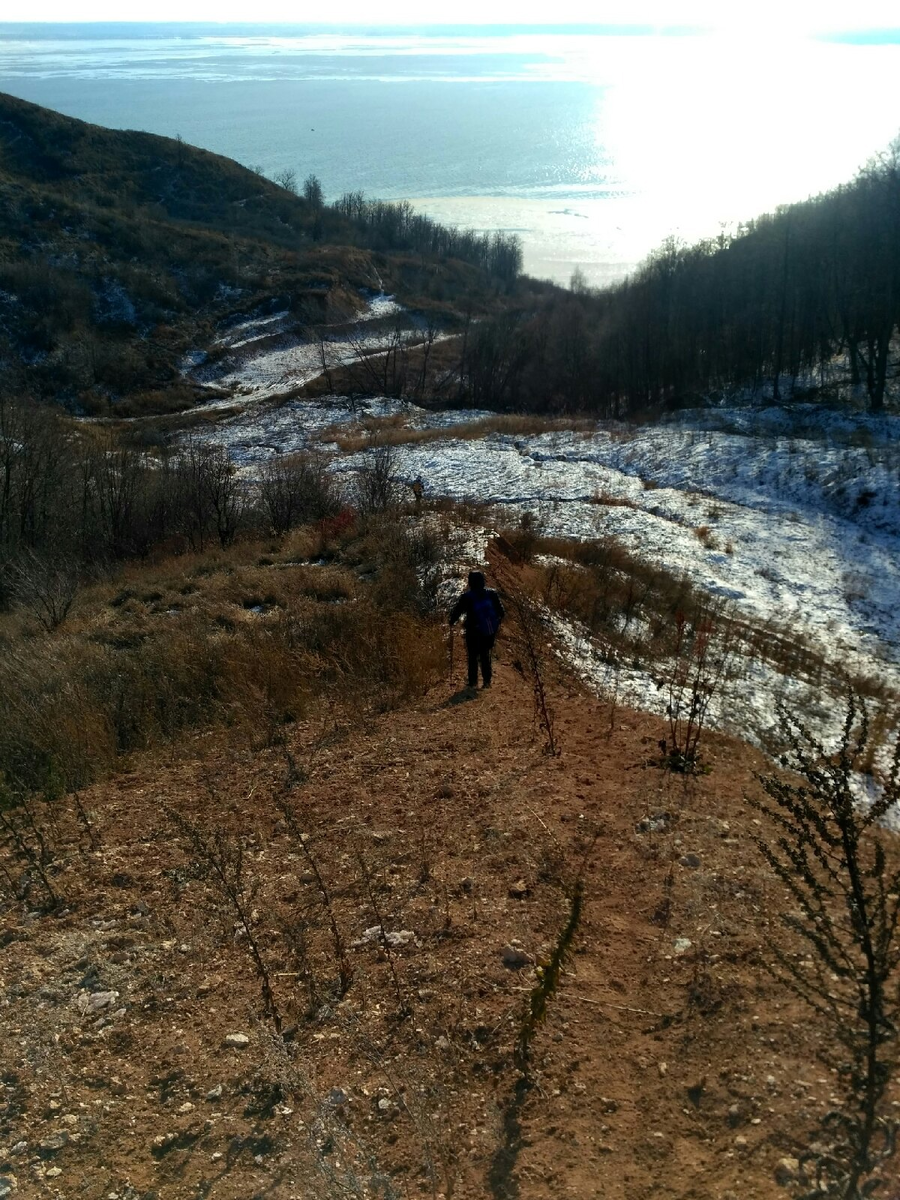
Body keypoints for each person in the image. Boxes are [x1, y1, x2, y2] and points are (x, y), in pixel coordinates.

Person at [449, 570, 505, 691]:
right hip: (488, 630)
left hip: (472, 630)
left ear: (470, 582)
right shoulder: (492, 594)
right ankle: (487, 681)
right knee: (485, 654)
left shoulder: (467, 597)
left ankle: (473, 682)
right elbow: (501, 612)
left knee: (472, 656)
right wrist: (494, 625)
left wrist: (451, 622)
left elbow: (457, 612)